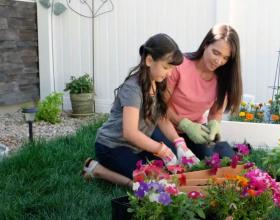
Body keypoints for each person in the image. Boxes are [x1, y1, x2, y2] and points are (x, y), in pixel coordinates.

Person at [82, 33, 199, 187]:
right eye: (166, 67)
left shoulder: (156, 83)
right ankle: (98, 170)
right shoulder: (133, 88)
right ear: (149, 60)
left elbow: (162, 118)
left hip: (136, 147)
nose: (169, 73)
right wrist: (161, 149)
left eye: (171, 69)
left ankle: (118, 173)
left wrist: (179, 143)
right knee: (154, 180)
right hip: (112, 147)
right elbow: (129, 133)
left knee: (170, 172)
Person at [151, 24, 243, 160]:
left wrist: (214, 124)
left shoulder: (223, 77)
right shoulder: (180, 66)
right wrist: (185, 124)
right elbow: (160, 106)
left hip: (195, 131)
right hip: (165, 127)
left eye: (225, 58)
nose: (219, 61)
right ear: (206, 45)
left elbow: (215, 112)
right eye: (216, 53)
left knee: (213, 161)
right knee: (175, 162)